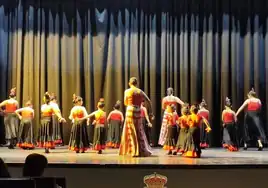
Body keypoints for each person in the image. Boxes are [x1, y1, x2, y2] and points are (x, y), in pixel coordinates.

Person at [119, 77, 153, 157]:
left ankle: (132, 150)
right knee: (139, 130)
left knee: (130, 131)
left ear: (129, 83)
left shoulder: (127, 91)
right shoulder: (140, 91)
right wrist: (151, 112)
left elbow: (125, 102)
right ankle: (140, 150)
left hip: (130, 110)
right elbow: (149, 101)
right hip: (138, 111)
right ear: (136, 83)